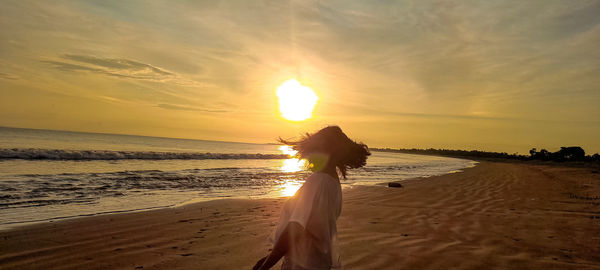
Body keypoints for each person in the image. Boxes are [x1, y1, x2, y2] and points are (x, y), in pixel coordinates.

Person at [253, 126, 370, 270]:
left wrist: (267, 264)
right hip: (319, 263)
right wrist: (269, 258)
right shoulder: (333, 183)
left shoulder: (318, 182)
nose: (306, 157)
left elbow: (295, 228)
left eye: (311, 150)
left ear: (326, 152)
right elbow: (312, 228)